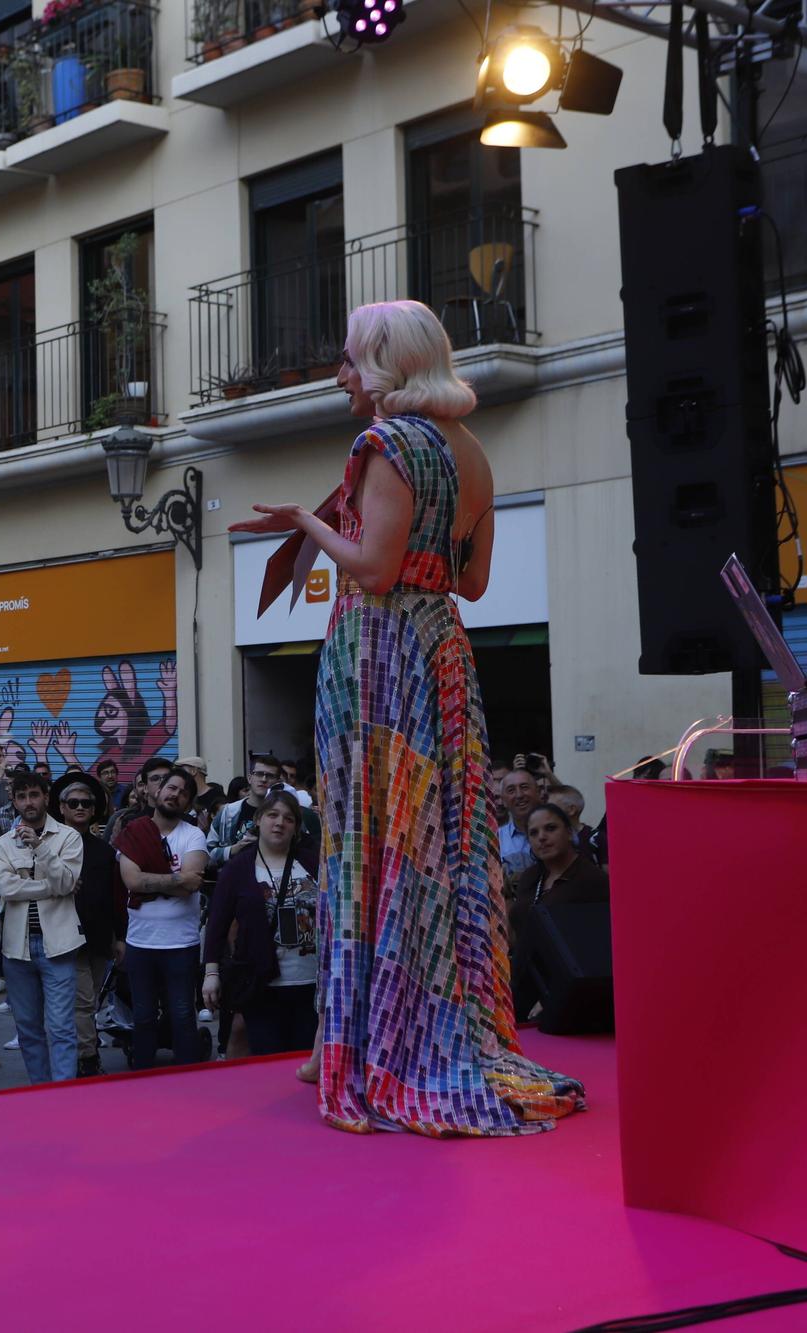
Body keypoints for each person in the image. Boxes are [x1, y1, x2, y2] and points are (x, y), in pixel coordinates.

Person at [232, 298, 582, 1134]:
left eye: (353, 359)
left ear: (390, 363)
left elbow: (375, 569)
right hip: (442, 656)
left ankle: (360, 1045)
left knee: (368, 845)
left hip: (378, 656)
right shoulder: (472, 454)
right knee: (437, 847)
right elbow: (472, 584)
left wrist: (308, 521)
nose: (342, 374)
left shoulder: (384, 444)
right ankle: (356, 1036)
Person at [203, 790, 320, 1057]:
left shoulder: (314, 863)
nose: (280, 823)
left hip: (311, 984)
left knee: (304, 1057)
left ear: (296, 827)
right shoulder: (238, 868)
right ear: (258, 820)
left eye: (289, 818)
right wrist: (211, 974)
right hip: (262, 983)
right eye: (272, 815)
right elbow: (217, 924)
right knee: (269, 1059)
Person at [0, 770, 84, 1084]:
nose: (28, 802)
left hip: (58, 944)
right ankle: (40, 1092)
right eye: (21, 797)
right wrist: (53, 887)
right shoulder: (3, 844)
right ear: (14, 802)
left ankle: (63, 1095)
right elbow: (8, 890)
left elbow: (67, 881)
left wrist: (41, 849)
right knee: (28, 1028)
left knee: (60, 1028)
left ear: (46, 797)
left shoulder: (68, 837)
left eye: (34, 795)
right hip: (17, 947)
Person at [114, 770, 211, 1070]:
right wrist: (176, 879)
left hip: (181, 942)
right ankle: (143, 1076)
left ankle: (186, 1076)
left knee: (182, 1013)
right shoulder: (133, 832)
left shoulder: (193, 834)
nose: (175, 794)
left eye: (183, 792)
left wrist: (153, 881)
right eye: (171, 787)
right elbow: (131, 881)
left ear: (188, 802)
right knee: (142, 1015)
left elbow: (192, 885)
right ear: (156, 792)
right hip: (141, 941)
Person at [50, 772, 124, 1077]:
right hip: (64, 936)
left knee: (89, 999)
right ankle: (87, 1057)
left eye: (86, 803)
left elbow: (116, 897)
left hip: (98, 936)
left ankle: (81, 1053)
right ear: (63, 808)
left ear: (94, 809)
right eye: (74, 802)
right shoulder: (50, 846)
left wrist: (119, 937)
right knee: (82, 1002)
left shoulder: (105, 852)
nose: (80, 807)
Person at [509, 803, 610, 1021]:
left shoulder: (592, 880)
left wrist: (551, 996)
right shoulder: (530, 877)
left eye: (550, 828)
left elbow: (597, 947)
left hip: (566, 995)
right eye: (533, 833)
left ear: (569, 832)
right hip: (521, 985)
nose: (542, 837)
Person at [209, 754, 282, 867]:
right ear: (249, 778)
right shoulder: (228, 812)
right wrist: (233, 850)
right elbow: (206, 853)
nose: (263, 779)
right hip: (234, 878)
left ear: (277, 782)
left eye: (270, 776)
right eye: (258, 774)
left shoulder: (284, 814)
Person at [498, 767, 542, 880]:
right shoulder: (495, 839)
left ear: (538, 792)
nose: (519, 795)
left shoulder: (557, 831)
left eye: (524, 787)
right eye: (511, 790)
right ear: (503, 800)